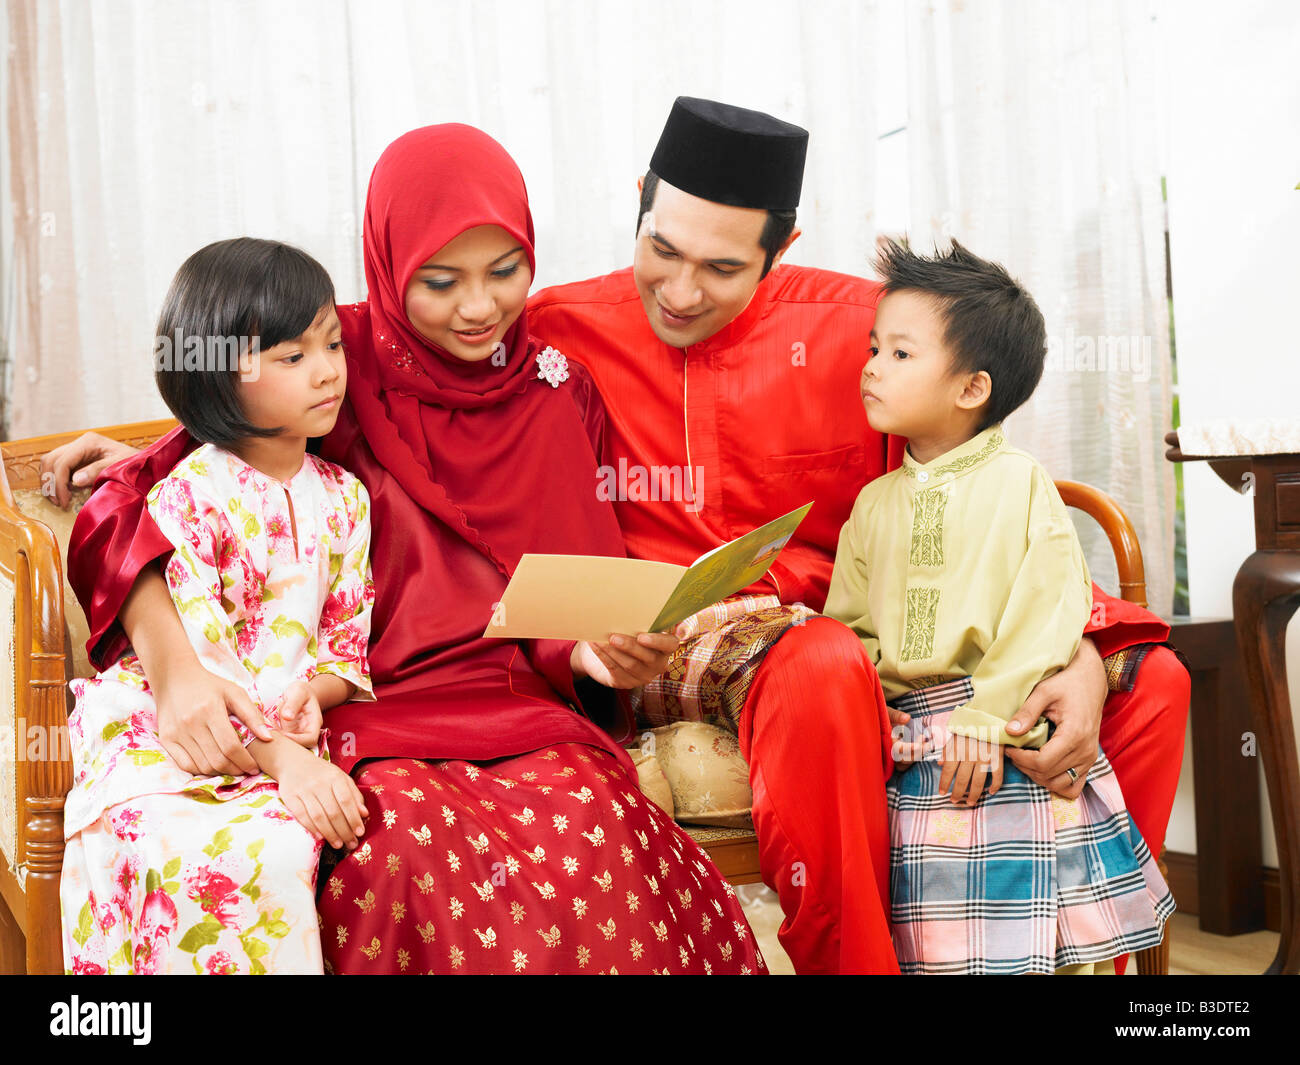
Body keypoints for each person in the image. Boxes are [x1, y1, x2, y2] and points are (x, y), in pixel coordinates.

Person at [54, 125, 765, 975]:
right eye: (440, 281)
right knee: (397, 853)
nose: (480, 308)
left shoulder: (558, 391)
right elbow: (143, 509)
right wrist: (174, 667)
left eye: (506, 271)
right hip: (368, 709)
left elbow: (566, 599)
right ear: (389, 267)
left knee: (595, 823)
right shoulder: (332, 359)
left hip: (522, 708)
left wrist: (598, 652)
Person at [525, 96, 1189, 974]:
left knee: (1155, 681)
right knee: (824, 660)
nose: (681, 293)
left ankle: (1065, 952)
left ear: (781, 249)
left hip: (869, 638)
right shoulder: (551, 333)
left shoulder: (863, 336)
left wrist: (1076, 654)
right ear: (640, 200)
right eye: (661, 250)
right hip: (684, 648)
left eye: (723, 268)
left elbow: (973, 502)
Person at [824, 240, 1174, 974]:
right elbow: (846, 624)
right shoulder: (872, 502)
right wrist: (867, 699)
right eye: (873, 347)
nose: (871, 366)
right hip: (911, 741)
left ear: (972, 388)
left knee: (1030, 933)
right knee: (933, 936)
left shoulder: (1020, 484)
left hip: (1003, 730)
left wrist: (987, 718)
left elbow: (1048, 613)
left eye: (899, 353)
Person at [61, 238, 372, 974]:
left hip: (282, 732)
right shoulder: (188, 494)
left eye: (331, 343)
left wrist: (315, 694)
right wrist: (286, 758)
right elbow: (201, 670)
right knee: (249, 846)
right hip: (175, 728)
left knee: (318, 841)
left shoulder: (346, 498)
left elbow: (345, 642)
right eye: (292, 357)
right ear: (215, 375)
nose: (328, 369)